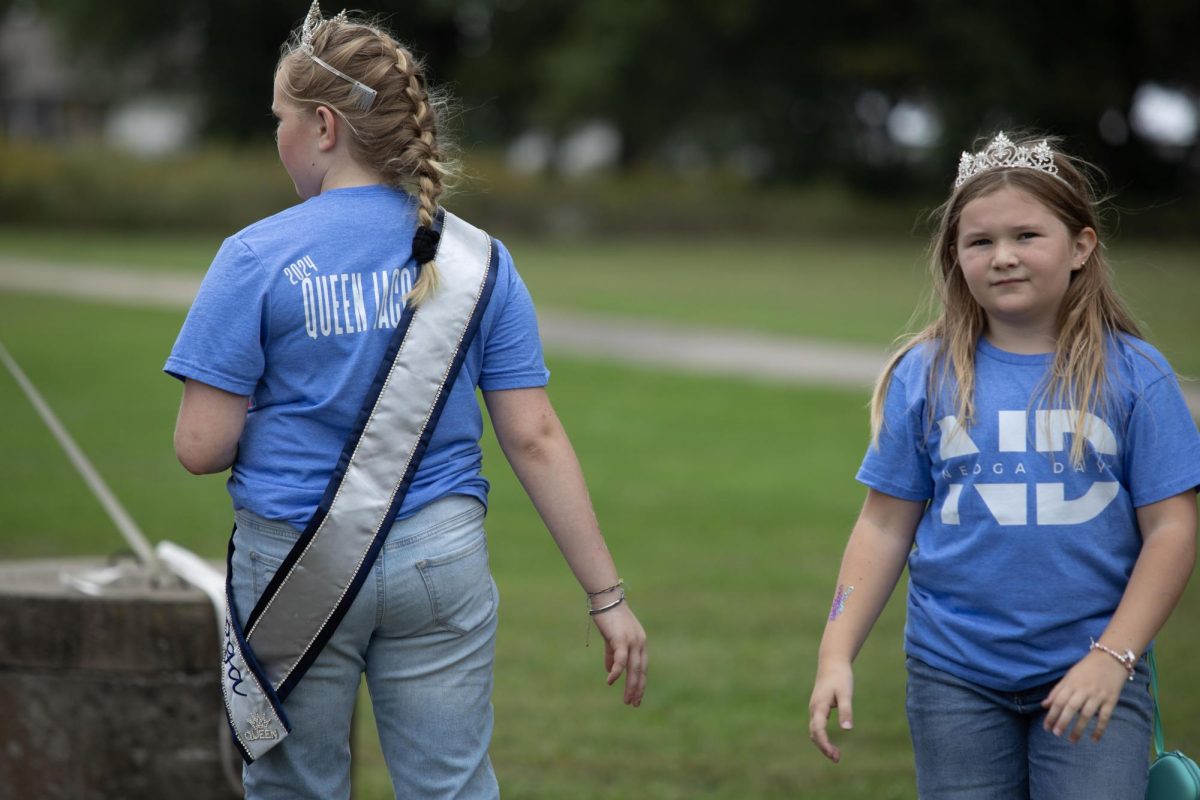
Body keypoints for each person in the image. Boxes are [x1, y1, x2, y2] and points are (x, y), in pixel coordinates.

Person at [164, 4, 646, 798]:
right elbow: (536, 438)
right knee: (451, 787)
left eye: (279, 118)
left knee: (295, 788)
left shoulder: (252, 256)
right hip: (440, 560)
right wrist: (607, 598)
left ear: (323, 126)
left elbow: (199, 447)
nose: (276, 134)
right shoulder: (482, 260)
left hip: (292, 559)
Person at [807, 131, 1200, 798]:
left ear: (1080, 246)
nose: (1004, 257)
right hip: (952, 677)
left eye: (1027, 236)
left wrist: (1112, 658)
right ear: (954, 257)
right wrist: (835, 653)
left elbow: (1172, 531)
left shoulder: (1137, 376)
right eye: (980, 242)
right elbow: (882, 527)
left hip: (1093, 670)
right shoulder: (924, 376)